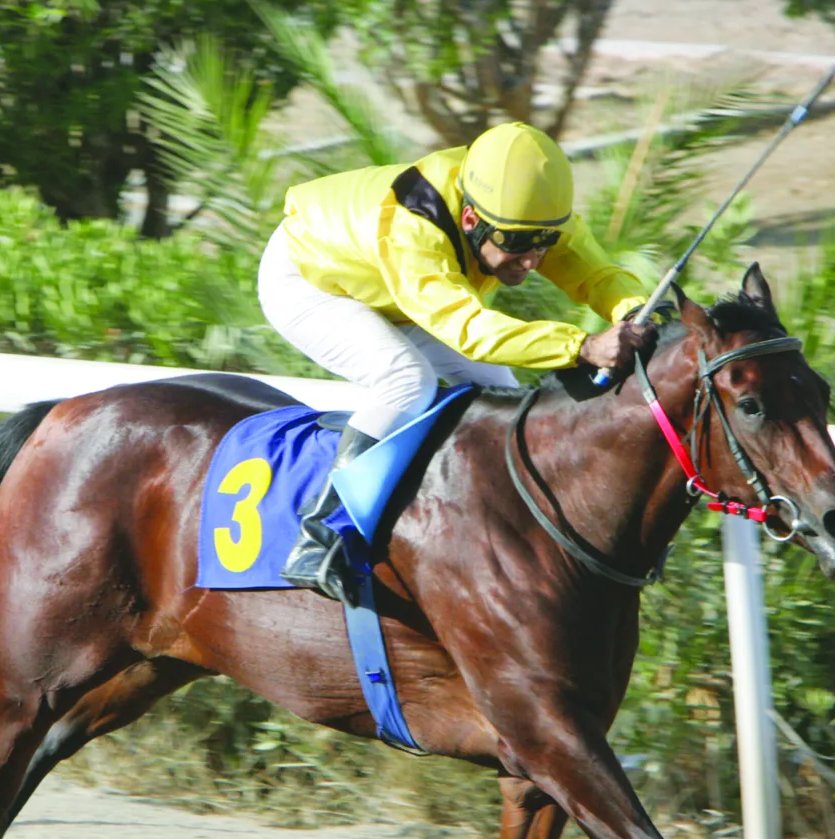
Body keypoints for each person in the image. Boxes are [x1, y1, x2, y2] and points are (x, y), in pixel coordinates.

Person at [258, 120, 659, 599]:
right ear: (470, 220)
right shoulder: (412, 227)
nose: (531, 260)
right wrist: (583, 346)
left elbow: (596, 273)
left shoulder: (527, 213)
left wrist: (634, 308)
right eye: (515, 243)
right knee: (407, 381)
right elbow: (468, 331)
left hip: (394, 290)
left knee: (507, 398)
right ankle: (321, 535)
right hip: (308, 281)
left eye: (543, 242)